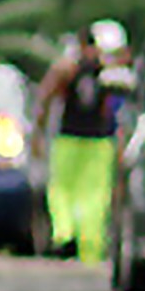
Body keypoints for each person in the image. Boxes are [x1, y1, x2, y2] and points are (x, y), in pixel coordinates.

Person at [36, 33, 117, 262]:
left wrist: (39, 132)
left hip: (73, 139)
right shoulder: (106, 71)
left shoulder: (67, 69)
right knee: (94, 194)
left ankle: (65, 234)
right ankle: (88, 245)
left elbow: (45, 96)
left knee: (64, 189)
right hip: (95, 141)